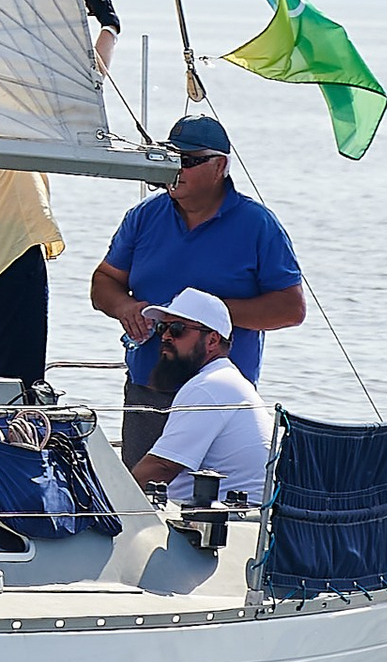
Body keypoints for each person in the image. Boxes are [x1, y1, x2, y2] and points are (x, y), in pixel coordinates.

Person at [91, 111, 305, 469]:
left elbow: (291, 309)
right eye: (170, 158)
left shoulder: (258, 225)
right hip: (148, 389)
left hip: (216, 401)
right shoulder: (143, 217)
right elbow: (103, 282)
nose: (177, 169)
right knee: (142, 504)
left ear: (220, 166)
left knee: (210, 507)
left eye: (188, 161)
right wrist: (123, 307)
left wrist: (201, 314)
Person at [0, 0, 122, 384]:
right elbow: (85, 83)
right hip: (12, 254)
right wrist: (109, 25)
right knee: (14, 390)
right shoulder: (11, 107)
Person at [128, 287, 273, 502]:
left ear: (212, 341)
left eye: (177, 329)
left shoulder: (209, 386)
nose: (166, 337)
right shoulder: (223, 379)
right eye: (161, 328)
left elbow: (160, 468)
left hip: (229, 524)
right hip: (235, 517)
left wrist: (104, 504)